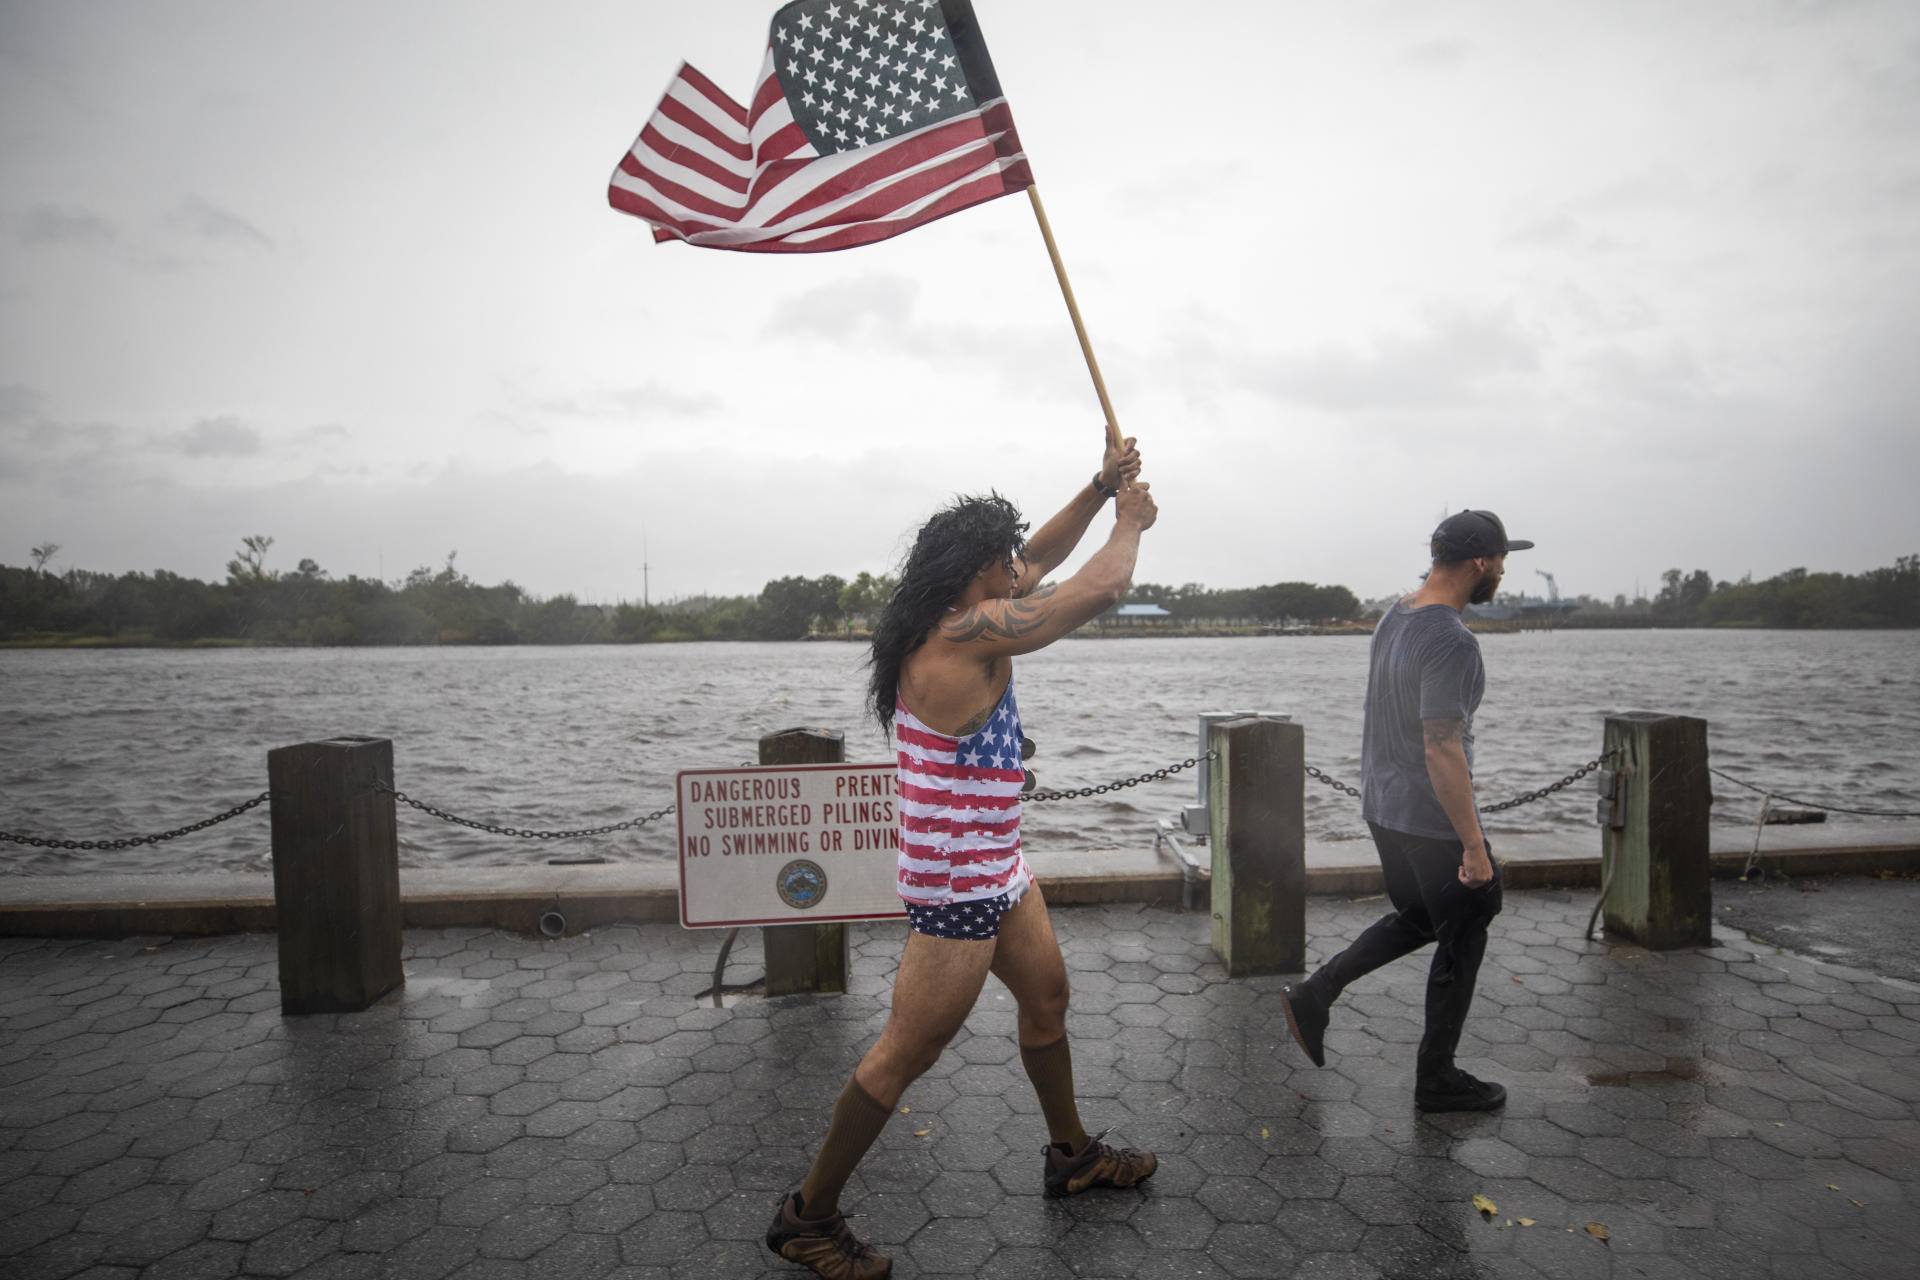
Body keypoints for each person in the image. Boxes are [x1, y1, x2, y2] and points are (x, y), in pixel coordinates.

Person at [767, 436, 1160, 1280]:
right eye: (1005, 564)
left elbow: (1044, 556)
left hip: (999, 867)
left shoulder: (956, 607)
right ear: (976, 572)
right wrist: (1131, 524)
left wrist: (1097, 488)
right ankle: (808, 1216)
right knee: (906, 1053)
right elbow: (1098, 587)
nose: (1019, 572)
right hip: (955, 885)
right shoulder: (964, 636)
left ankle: (1072, 1156)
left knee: (1048, 999)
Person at [1280, 509, 1533, 1114]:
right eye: (1501, 558)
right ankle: (1437, 1077)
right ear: (1480, 564)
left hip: (1383, 806)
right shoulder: (1452, 639)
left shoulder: (1397, 614)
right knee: (1472, 913)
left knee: (1423, 914)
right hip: (1426, 814)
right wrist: (1472, 845)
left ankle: (1317, 993)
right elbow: (1441, 744)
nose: (1502, 569)